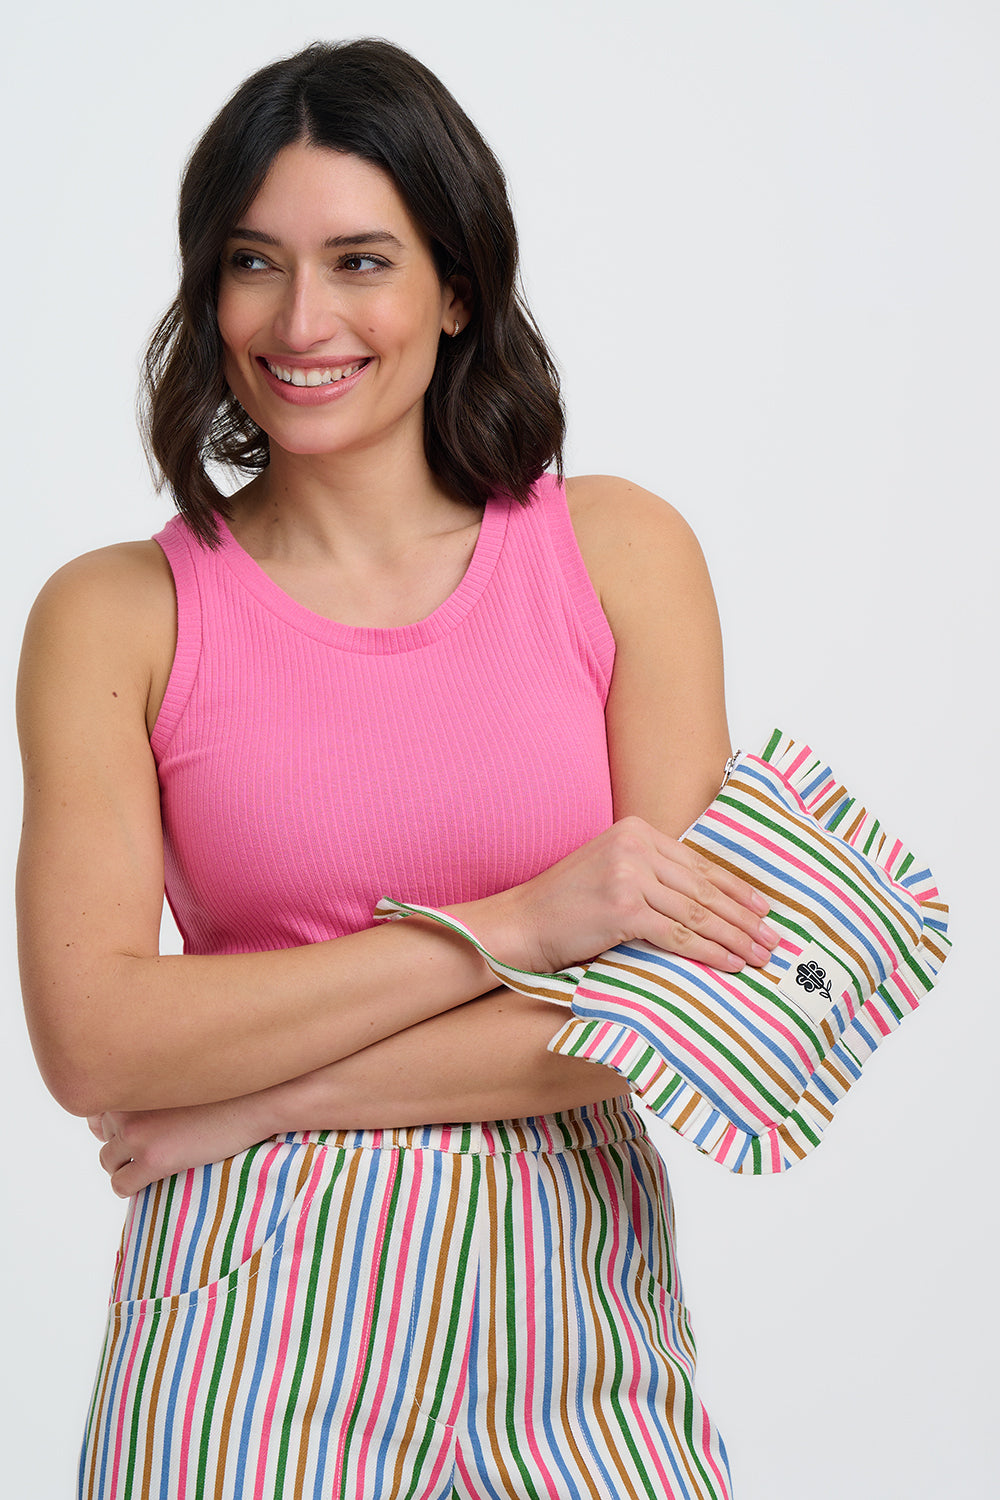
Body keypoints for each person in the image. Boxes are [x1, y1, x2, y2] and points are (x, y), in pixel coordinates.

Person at [16, 38, 779, 1500]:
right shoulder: (115, 612)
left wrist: (261, 1098)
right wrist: (518, 930)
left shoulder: (616, 555)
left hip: (568, 1316)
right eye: (254, 262)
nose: (302, 318)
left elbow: (681, 1015)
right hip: (238, 1327)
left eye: (361, 260)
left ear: (456, 284)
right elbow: (96, 1040)